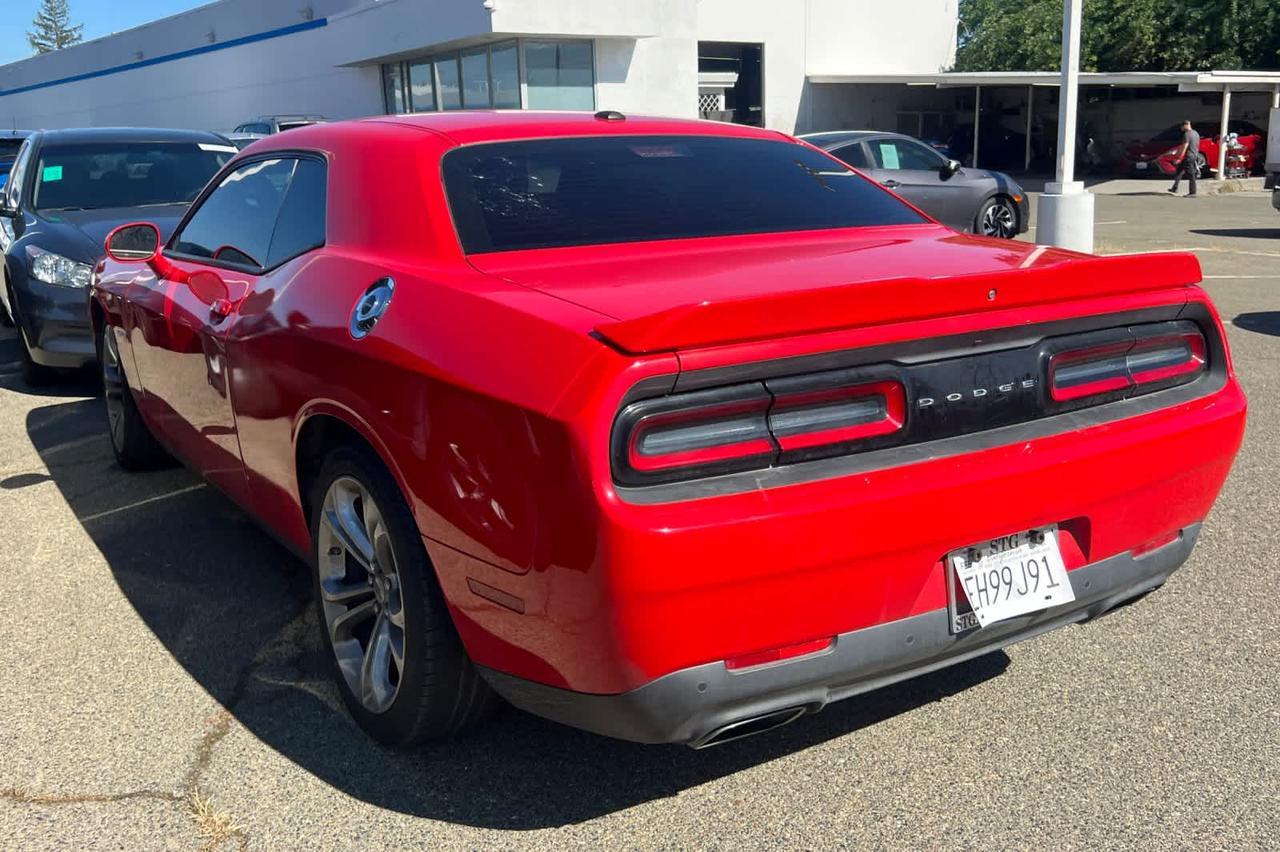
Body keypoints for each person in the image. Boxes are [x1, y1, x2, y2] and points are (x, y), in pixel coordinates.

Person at [1168, 120, 1200, 197]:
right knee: (1180, 171)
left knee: (1191, 174)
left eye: (1181, 127)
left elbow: (1184, 147)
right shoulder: (1196, 133)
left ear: (1185, 125)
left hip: (1189, 156)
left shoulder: (1187, 134)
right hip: (1194, 155)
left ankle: (1193, 192)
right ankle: (1174, 187)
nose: (1181, 129)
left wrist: (1179, 158)